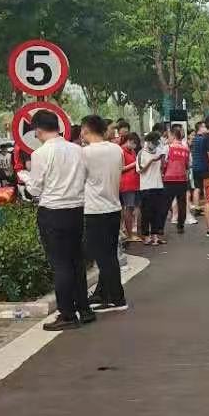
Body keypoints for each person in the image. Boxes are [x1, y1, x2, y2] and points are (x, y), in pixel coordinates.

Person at [18, 109, 94, 330]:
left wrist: (25, 177)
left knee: (60, 264)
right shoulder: (78, 150)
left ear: (38, 130)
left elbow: (34, 189)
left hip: (53, 212)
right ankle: (85, 309)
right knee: (76, 261)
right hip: (76, 210)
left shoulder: (40, 154)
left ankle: (67, 315)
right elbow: (85, 177)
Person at [80, 115, 127, 312]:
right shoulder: (117, 150)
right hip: (114, 207)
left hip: (94, 209)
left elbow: (80, 179)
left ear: (86, 130)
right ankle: (102, 292)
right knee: (109, 254)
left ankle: (116, 298)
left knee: (102, 257)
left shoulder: (85, 153)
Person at [137, 130, 166, 246]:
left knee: (157, 212)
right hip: (146, 187)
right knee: (146, 213)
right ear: (148, 142)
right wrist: (151, 161)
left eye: (156, 142)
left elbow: (162, 167)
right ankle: (146, 236)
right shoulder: (141, 153)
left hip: (158, 185)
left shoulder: (159, 151)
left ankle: (155, 236)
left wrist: (162, 159)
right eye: (153, 142)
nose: (154, 145)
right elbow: (140, 170)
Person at [163, 124, 191, 234]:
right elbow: (188, 164)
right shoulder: (185, 148)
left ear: (173, 135)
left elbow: (164, 163)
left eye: (169, 135)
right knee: (182, 203)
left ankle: (160, 227)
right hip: (182, 179)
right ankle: (180, 226)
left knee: (166, 203)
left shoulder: (168, 148)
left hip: (169, 179)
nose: (168, 137)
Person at [119, 134, 140, 240]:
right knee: (128, 207)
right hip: (126, 184)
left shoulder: (132, 151)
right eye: (133, 143)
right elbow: (121, 168)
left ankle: (129, 232)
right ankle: (129, 234)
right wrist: (134, 164)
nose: (134, 145)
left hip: (135, 183)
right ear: (128, 141)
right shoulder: (121, 151)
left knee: (131, 208)